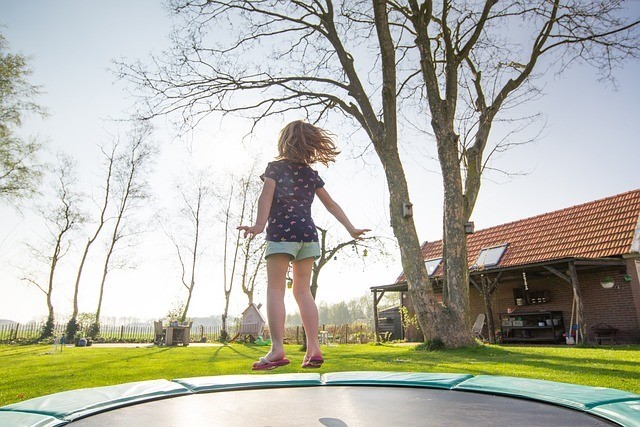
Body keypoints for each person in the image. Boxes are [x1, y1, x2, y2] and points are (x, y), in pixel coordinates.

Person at [237, 120, 369, 370]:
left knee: (275, 289)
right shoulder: (311, 174)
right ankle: (313, 348)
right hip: (308, 235)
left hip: (282, 234)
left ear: (284, 142)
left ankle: (277, 349)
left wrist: (258, 225)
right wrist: (351, 228)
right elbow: (331, 205)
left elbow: (265, 196)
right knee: (302, 291)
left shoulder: (274, 168)